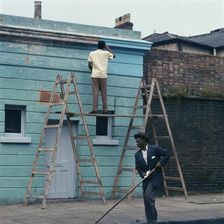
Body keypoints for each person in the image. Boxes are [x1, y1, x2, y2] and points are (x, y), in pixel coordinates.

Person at [134, 132, 170, 224]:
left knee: (148, 196)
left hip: (155, 178)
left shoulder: (155, 149)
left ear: (144, 141)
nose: (137, 143)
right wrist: (143, 175)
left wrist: (160, 163)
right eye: (136, 142)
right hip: (146, 179)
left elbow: (166, 154)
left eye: (139, 142)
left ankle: (153, 221)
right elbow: (138, 168)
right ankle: (150, 221)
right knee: (147, 201)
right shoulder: (137, 154)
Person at [88, 40, 115, 114]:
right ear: (104, 46)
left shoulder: (92, 53)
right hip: (103, 75)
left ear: (97, 45)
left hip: (95, 74)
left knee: (95, 92)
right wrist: (108, 48)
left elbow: (89, 64)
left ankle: (94, 109)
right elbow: (114, 56)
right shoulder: (106, 53)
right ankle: (105, 109)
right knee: (104, 92)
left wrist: (92, 71)